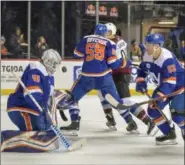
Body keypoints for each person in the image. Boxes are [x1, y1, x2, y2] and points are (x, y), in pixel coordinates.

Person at [59, 23, 132, 134]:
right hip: (104, 78)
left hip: (86, 77)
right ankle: (131, 122)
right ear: (105, 33)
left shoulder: (86, 39)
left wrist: (88, 55)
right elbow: (112, 63)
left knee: (72, 98)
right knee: (116, 102)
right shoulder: (109, 43)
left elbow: (76, 54)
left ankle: (74, 123)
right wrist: (124, 62)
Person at [98, 23, 157, 135]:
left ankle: (148, 121)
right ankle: (120, 121)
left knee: (123, 101)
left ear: (113, 32)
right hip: (118, 72)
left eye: (108, 32)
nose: (105, 34)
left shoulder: (110, 42)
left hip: (120, 73)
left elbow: (111, 60)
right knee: (103, 94)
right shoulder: (117, 40)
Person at [1, 49, 63, 152]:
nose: (55, 67)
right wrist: (43, 111)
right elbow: (31, 96)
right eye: (54, 64)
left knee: (44, 131)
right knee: (34, 136)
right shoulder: (36, 70)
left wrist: (49, 115)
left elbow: (49, 97)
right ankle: (3, 138)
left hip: (32, 109)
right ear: (48, 61)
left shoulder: (49, 75)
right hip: (21, 108)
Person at [136, 33, 184, 145]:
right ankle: (169, 134)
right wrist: (141, 81)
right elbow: (142, 69)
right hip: (165, 85)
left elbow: (171, 81)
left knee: (177, 113)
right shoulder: (147, 54)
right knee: (153, 110)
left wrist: (160, 95)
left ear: (157, 46)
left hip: (180, 86)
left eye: (148, 44)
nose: (145, 46)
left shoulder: (167, 58)